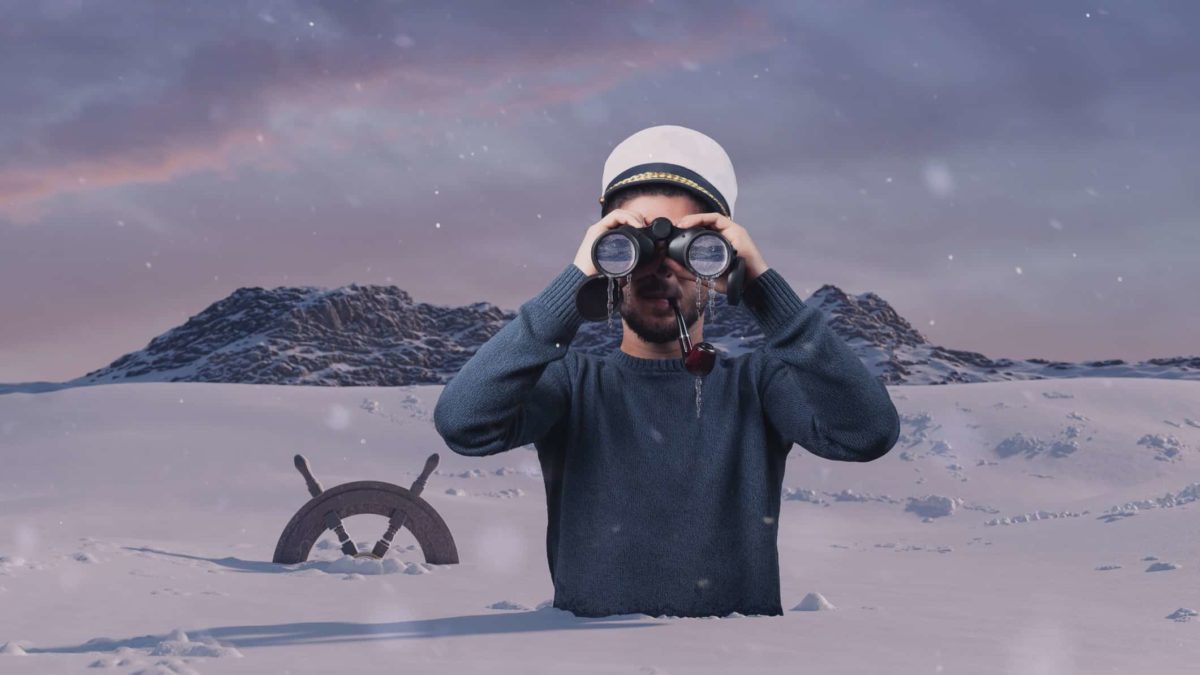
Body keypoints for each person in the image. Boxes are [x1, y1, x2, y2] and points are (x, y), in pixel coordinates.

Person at [433, 125, 900, 618]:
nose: (661, 268)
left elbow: (868, 433)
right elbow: (463, 423)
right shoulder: (570, 382)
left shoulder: (759, 383)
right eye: (633, 247)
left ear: (720, 256)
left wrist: (761, 287)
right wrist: (575, 280)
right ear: (608, 260)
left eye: (687, 246)